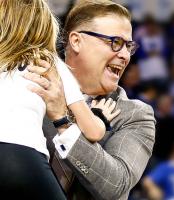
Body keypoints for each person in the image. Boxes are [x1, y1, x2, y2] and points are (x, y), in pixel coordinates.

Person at [24, 0, 156, 199]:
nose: (125, 55)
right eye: (116, 42)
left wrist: (63, 121)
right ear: (76, 41)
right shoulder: (31, 88)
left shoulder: (136, 114)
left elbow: (115, 185)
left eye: (128, 46)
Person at [0, 0, 119, 199]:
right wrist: (99, 116)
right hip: (23, 156)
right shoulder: (49, 63)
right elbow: (93, 131)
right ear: (44, 26)